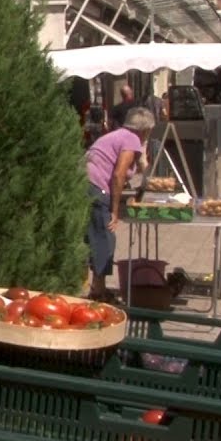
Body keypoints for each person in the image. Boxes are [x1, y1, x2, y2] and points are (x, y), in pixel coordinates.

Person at [84, 107, 156, 301]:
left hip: (85, 184)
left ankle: (98, 287)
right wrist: (114, 210)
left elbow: (140, 167)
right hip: (97, 187)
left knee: (96, 235)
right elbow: (118, 174)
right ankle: (98, 291)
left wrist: (143, 153)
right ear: (145, 129)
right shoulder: (131, 139)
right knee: (105, 237)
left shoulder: (121, 136)